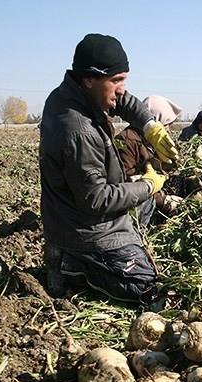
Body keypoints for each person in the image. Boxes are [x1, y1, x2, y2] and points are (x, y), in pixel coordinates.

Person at [39, 33, 179, 303]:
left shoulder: (73, 93)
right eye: (116, 81)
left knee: (146, 204)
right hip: (84, 227)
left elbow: (124, 101)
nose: (122, 88)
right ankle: (74, 264)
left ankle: (111, 248)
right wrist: (148, 184)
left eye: (124, 79)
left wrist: (150, 126)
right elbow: (96, 199)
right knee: (145, 285)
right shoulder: (77, 130)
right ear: (89, 79)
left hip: (77, 214)